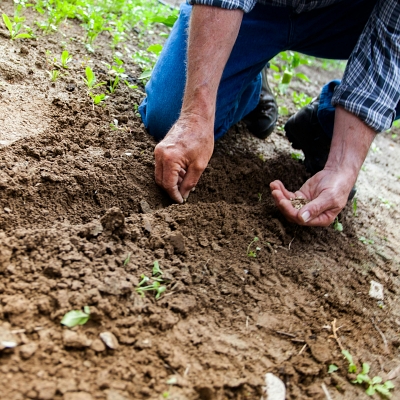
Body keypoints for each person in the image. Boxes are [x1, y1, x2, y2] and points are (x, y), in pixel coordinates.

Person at [139, 0, 400, 227]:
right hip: (259, 8)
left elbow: (391, 46)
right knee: (168, 116)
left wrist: (342, 167)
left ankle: (326, 126)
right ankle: (250, 79)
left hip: (349, 15)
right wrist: (195, 117)